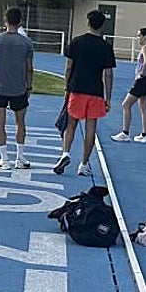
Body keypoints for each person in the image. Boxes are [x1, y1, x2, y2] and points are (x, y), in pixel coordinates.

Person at [54, 9, 115, 177]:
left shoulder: (76, 42)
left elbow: (68, 68)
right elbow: (108, 74)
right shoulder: (105, 47)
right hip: (95, 91)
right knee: (90, 127)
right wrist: (108, 98)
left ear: (88, 23)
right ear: (102, 25)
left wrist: (67, 87)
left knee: (71, 124)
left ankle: (65, 153)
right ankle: (84, 163)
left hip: (77, 88)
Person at [0, 7, 35, 170]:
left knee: (0, 123)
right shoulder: (27, 43)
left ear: (5, 21)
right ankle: (20, 157)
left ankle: (4, 158)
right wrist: (29, 85)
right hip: (19, 88)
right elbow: (29, 67)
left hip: (0, 87)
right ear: (20, 22)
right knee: (20, 123)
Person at [112, 27, 146, 143]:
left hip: (143, 81)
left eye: (139, 35)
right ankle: (144, 134)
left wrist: (142, 73)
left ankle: (125, 133)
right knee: (144, 107)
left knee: (126, 104)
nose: (138, 38)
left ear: (145, 37)